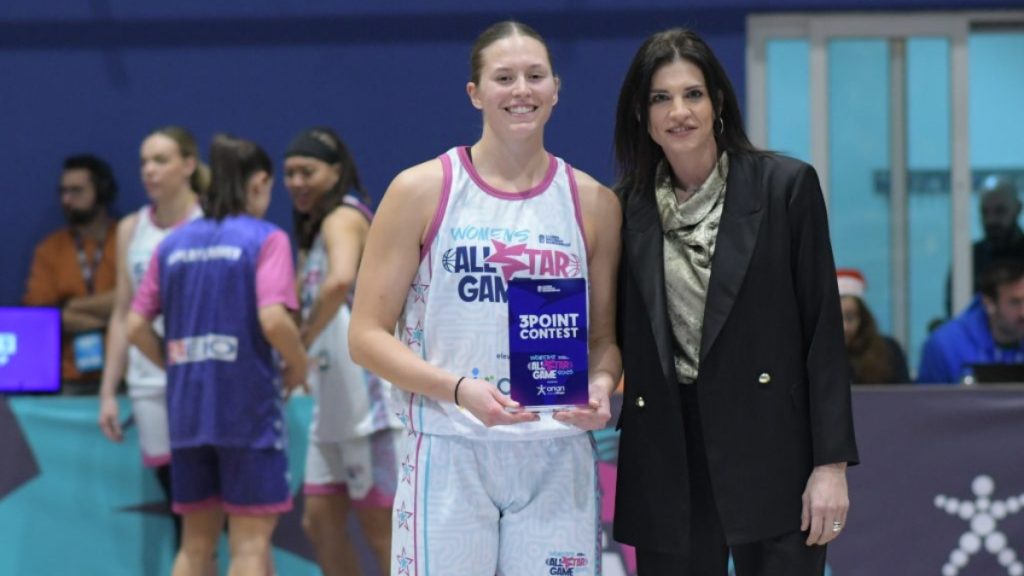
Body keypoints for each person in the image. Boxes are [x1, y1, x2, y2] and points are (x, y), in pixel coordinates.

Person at [348, 20, 622, 576]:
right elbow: (366, 336)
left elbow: (603, 340)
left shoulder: (594, 202)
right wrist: (457, 389)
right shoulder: (421, 189)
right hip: (449, 447)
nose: (521, 90)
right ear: (475, 93)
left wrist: (599, 385)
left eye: (535, 76)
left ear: (556, 89)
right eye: (504, 77)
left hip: (557, 452)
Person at [612, 28, 859, 575]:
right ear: (641, 115)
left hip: (775, 451)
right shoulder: (623, 209)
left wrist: (831, 466)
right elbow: (607, 335)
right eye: (661, 98)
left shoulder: (784, 187)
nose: (679, 112)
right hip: (668, 457)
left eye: (693, 94)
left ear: (718, 103)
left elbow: (822, 334)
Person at [126, 134, 307, 576]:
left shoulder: (172, 244)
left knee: (195, 546)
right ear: (259, 182)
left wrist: (176, 365)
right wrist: (298, 366)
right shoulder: (265, 238)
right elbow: (274, 320)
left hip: (187, 413)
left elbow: (134, 326)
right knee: (250, 547)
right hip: (248, 413)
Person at [284, 127, 402, 576]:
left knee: (382, 531)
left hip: (369, 407)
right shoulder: (314, 231)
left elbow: (338, 282)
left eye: (307, 171)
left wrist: (300, 345)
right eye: (290, 173)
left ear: (335, 172)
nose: (296, 182)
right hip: (331, 408)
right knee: (319, 523)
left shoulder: (344, 217)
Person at [97, 126, 206, 546]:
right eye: (144, 161)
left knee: (208, 500)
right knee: (179, 500)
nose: (149, 170)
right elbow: (123, 313)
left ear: (189, 165)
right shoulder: (131, 228)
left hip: (200, 377)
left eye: (160, 160)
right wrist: (109, 390)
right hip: (148, 380)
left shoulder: (210, 220)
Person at [23, 154, 119, 394]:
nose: (67, 200)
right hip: (68, 377)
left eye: (76, 191)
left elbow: (134, 301)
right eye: (63, 192)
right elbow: (43, 316)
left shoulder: (127, 238)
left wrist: (70, 305)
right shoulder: (50, 249)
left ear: (102, 192)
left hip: (122, 373)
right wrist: (114, 318)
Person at [919, 259, 1024, 384]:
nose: (1022, 313)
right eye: (1015, 302)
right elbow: (928, 396)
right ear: (989, 303)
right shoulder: (945, 345)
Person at [946, 175, 1024, 314]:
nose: (991, 220)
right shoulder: (969, 258)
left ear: (1017, 209)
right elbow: (954, 310)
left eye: (1000, 211)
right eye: (985, 212)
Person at [837, 268, 909, 384]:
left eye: (850, 318)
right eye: (835, 318)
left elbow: (905, 393)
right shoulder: (812, 356)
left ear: (862, 318)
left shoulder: (889, 351)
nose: (844, 327)